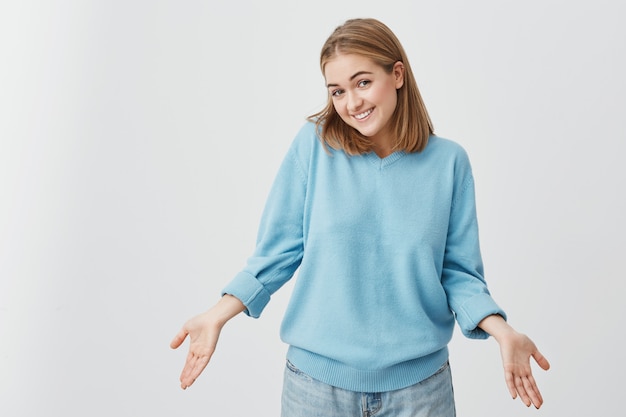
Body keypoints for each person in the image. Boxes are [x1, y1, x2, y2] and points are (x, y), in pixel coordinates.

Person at [170, 17, 550, 416]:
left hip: (420, 393)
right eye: (337, 91)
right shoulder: (314, 147)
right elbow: (277, 252)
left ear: (397, 74)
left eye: (363, 82)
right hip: (314, 391)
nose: (351, 103)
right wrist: (216, 317)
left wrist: (502, 331)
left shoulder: (449, 163)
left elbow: (458, 274)